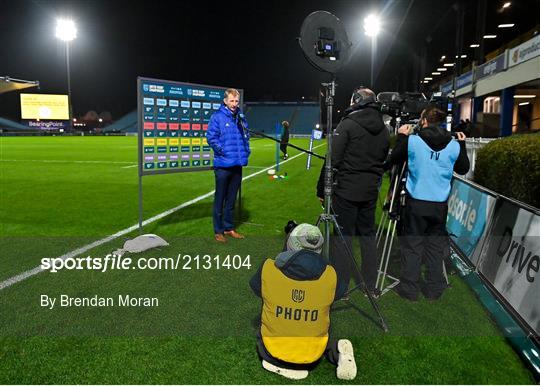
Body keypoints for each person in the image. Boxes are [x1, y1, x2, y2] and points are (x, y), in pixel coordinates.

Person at [249, 223, 357, 381]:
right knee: (321, 331)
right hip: (312, 355)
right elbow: (339, 293)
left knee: (263, 323)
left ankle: (283, 357)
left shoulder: (268, 268)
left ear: (289, 244)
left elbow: (256, 289)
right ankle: (336, 351)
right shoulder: (330, 275)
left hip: (271, 352)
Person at [389, 106, 470, 301]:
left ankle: (410, 290)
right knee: (434, 248)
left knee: (413, 247)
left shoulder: (413, 141)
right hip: (439, 205)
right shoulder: (453, 144)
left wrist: (401, 137)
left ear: (424, 121)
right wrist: (463, 144)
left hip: (416, 202)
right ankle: (434, 290)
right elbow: (464, 168)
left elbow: (394, 159)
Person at [316, 87, 390, 297]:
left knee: (343, 239)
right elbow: (383, 159)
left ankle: (341, 288)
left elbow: (332, 160)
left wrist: (321, 188)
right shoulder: (384, 129)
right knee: (367, 238)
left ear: (357, 101)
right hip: (369, 192)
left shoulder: (348, 124)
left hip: (346, 191)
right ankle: (370, 285)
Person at [206, 88, 250, 243]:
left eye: (236, 101)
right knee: (220, 199)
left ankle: (229, 227)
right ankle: (218, 231)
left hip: (237, 165)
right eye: (231, 100)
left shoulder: (240, 117)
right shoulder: (217, 117)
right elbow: (211, 137)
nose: (234, 104)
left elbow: (246, 136)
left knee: (231, 201)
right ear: (225, 101)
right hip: (223, 165)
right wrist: (223, 151)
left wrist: (247, 152)